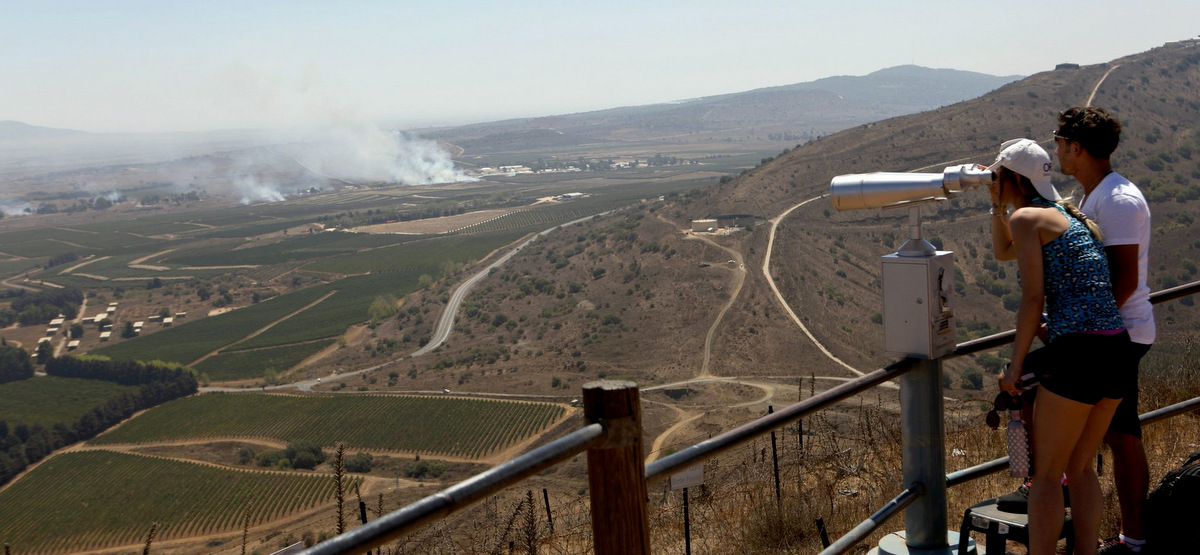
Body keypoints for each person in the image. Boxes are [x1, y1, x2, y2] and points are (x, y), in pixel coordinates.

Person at [987, 138, 1132, 555]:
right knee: (1081, 467)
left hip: (1077, 355)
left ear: (1012, 177)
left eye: (997, 176)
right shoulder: (1068, 213)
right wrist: (997, 206)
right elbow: (1003, 253)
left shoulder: (1029, 218)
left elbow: (1033, 298)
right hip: (1114, 349)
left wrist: (1014, 367)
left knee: (1048, 477)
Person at [1055, 107, 1154, 555]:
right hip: (1110, 333)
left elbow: (1125, 279)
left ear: (1076, 148)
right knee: (1113, 434)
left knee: (1121, 435)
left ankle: (1133, 538)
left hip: (1120, 334)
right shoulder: (1099, 195)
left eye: (1059, 141)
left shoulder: (1117, 200)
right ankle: (1119, 535)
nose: (1055, 149)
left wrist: (1083, 325)